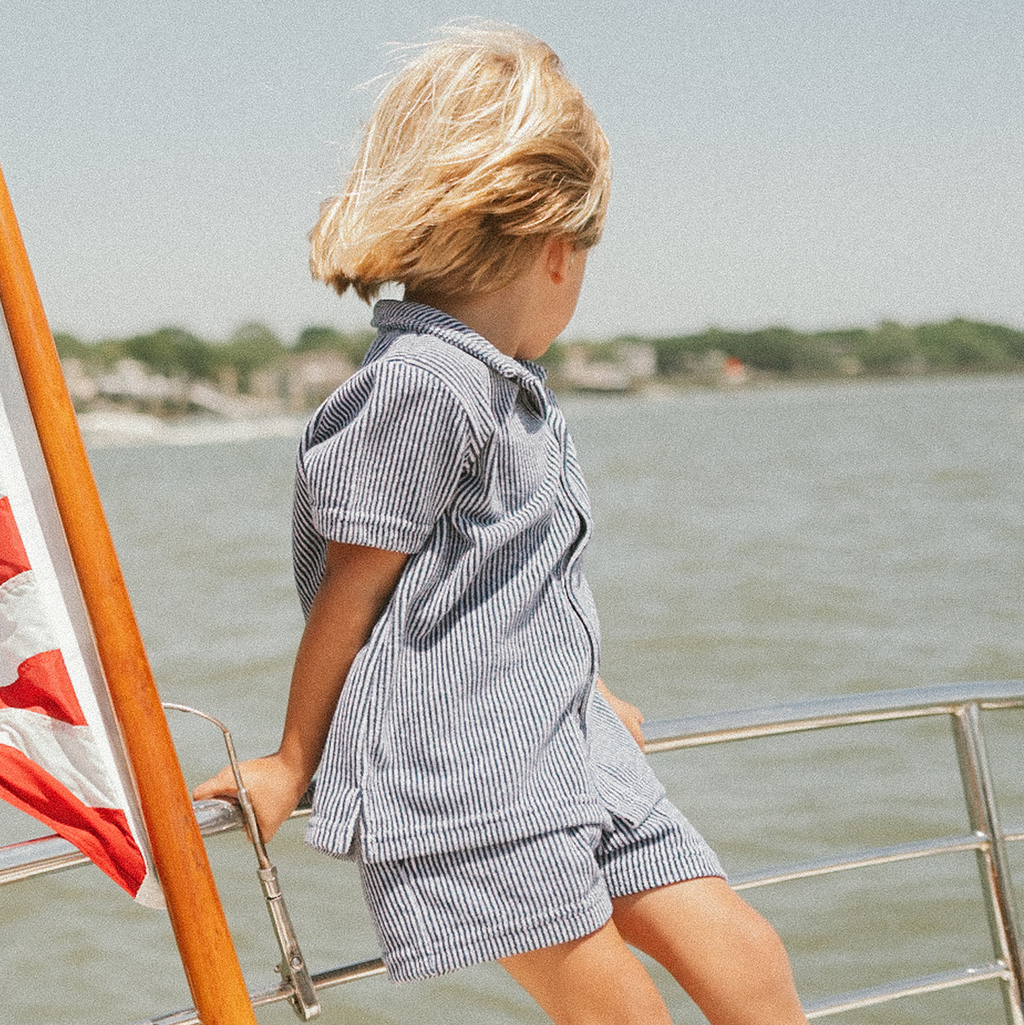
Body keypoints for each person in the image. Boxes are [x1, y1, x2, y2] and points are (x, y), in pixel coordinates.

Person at [195, 24, 808, 1025]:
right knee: (620, 1011)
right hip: (469, 782)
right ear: (558, 253)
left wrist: (585, 682)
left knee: (748, 955)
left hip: (569, 749)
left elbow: (496, 575)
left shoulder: (506, 389)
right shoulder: (420, 385)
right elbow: (354, 589)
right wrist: (290, 759)